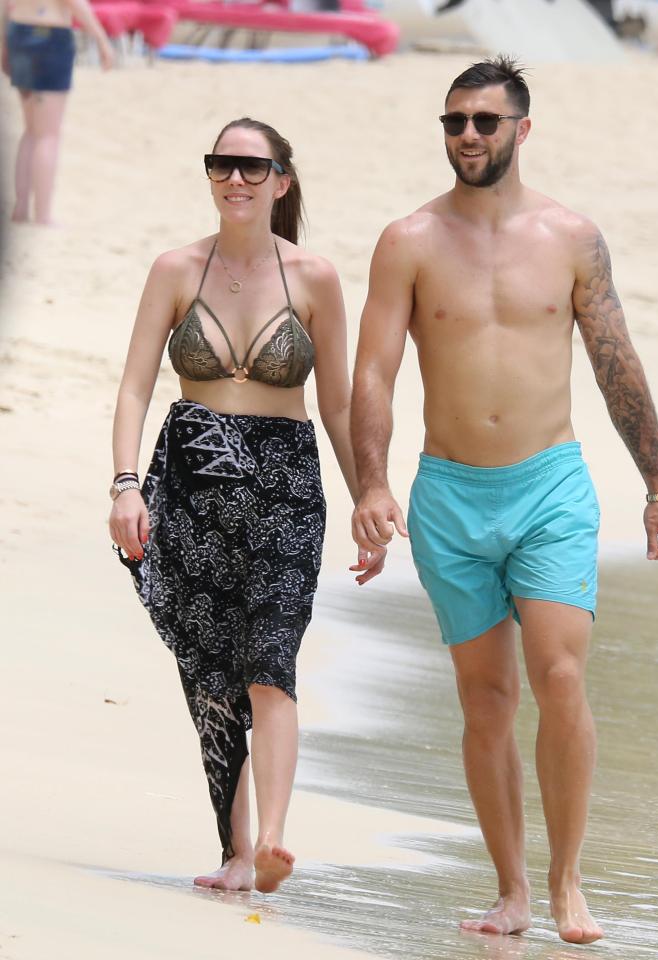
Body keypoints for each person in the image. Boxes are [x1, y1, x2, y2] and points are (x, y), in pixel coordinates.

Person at [350, 57, 658, 944]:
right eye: (454, 121)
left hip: (548, 484)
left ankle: (567, 881)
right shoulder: (408, 240)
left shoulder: (571, 236)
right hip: (449, 494)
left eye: (485, 122)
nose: (467, 135)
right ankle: (510, 892)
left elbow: (616, 362)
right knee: (485, 698)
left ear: (521, 131)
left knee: (560, 674)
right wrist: (371, 483)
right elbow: (374, 371)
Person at [110, 117, 377, 893]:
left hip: (285, 485)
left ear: (281, 181)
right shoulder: (174, 268)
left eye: (252, 168)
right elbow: (133, 386)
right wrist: (125, 483)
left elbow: (335, 406)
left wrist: (367, 496)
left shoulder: (316, 278)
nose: (236, 179)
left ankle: (272, 841)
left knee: (270, 662)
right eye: (222, 165)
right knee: (209, 671)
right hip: (191, 479)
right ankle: (231, 853)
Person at [1, 0, 113, 225]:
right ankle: (42, 215)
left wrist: (4, 42)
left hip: (19, 30)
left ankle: (21, 209)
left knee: (32, 130)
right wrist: (101, 39)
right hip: (48, 36)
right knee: (47, 135)